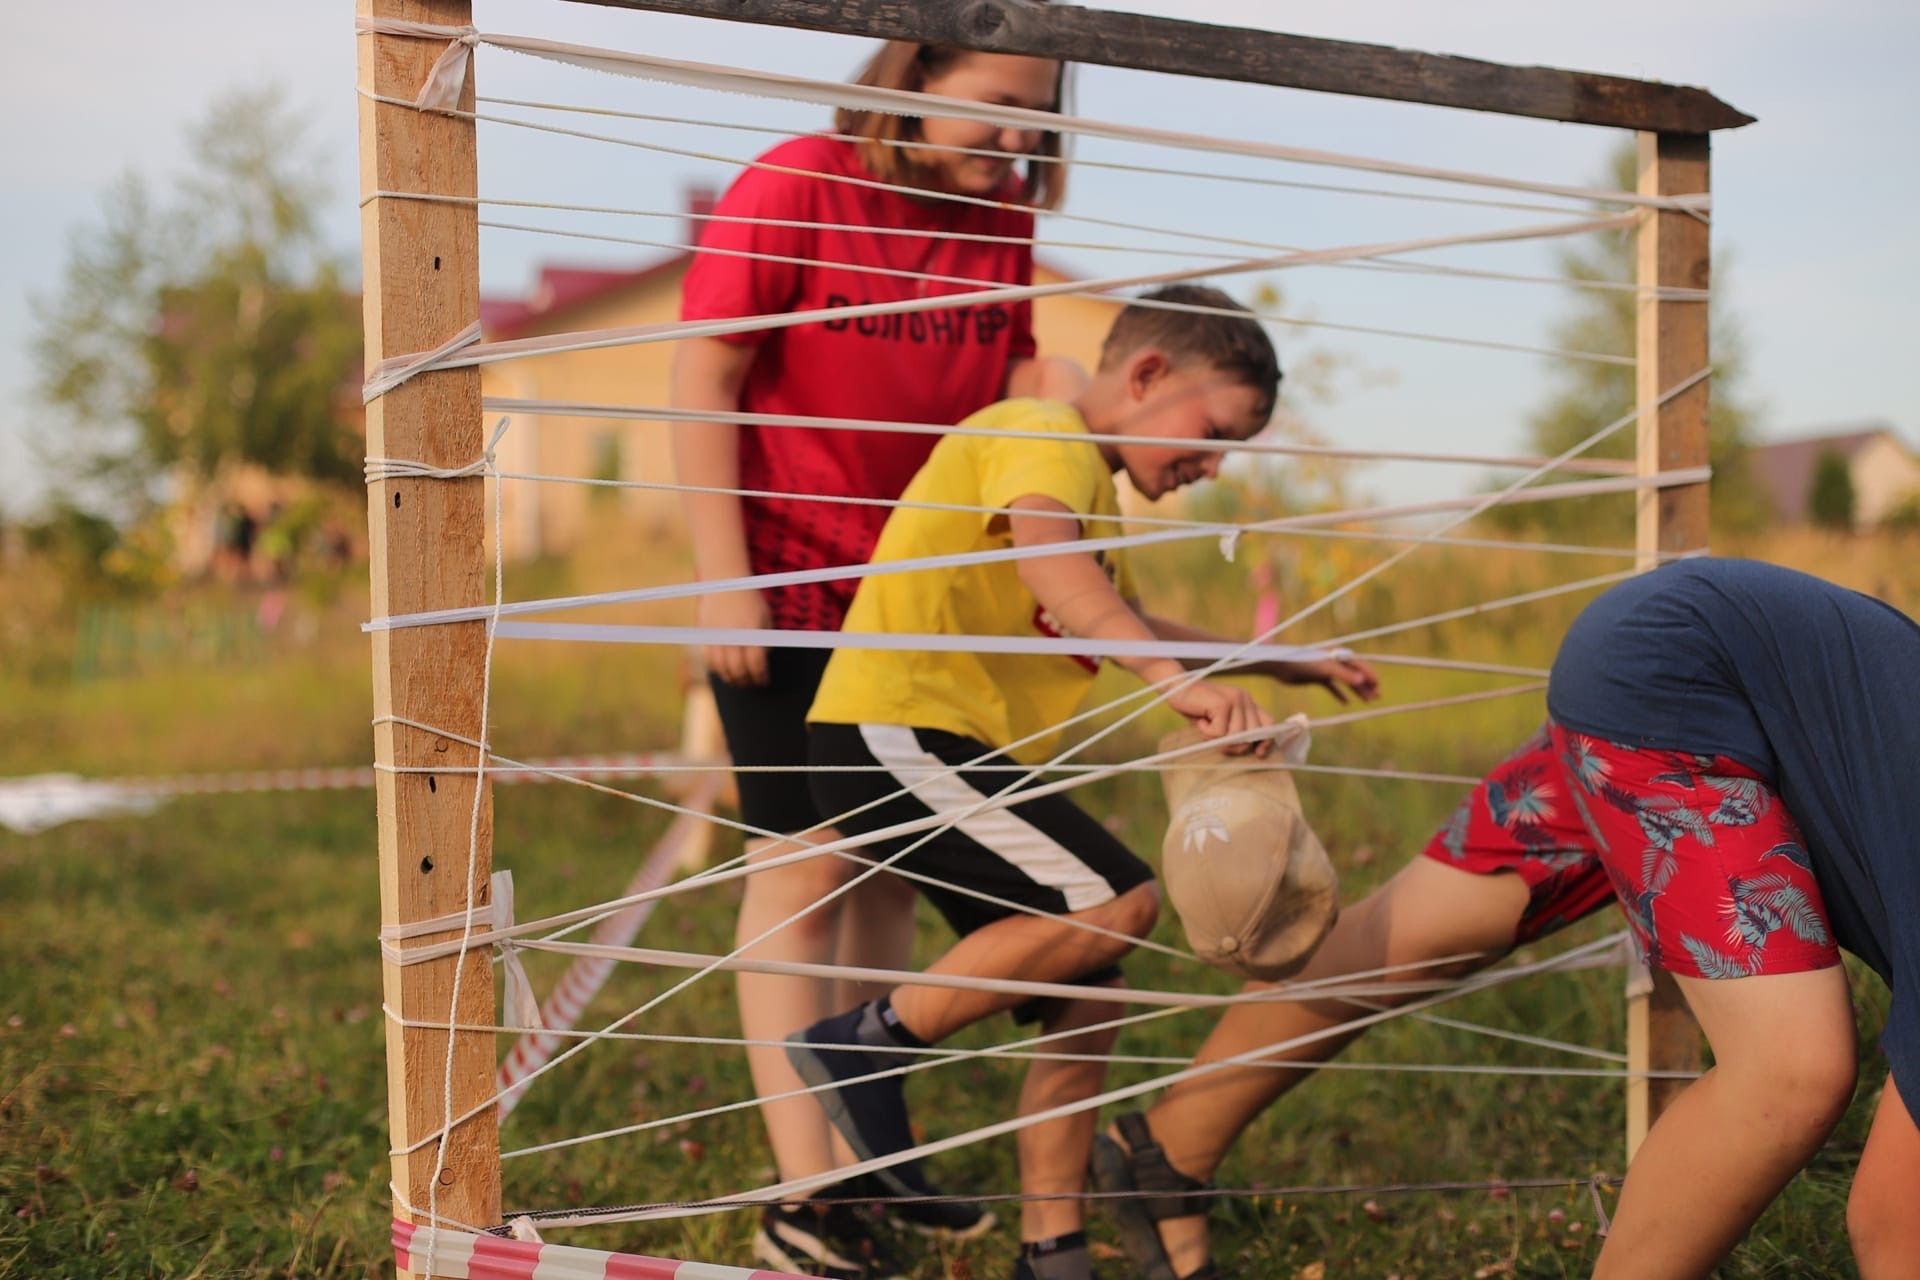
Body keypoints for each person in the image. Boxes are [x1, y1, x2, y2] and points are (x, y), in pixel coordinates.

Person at [1091, 558, 1918, 1280]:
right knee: (1789, 1074)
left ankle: (1162, 1151)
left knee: (1419, 934)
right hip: (1681, 674)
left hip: (1670, 641)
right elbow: (1896, 1233)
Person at [789, 285, 1380, 1280]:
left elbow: (1113, 610)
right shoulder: (1040, 433)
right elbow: (1063, 577)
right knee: (1115, 900)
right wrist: (1175, 685)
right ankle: (867, 1041)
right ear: (1147, 376)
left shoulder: (1085, 490)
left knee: (1089, 984)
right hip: (893, 728)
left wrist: (1280, 660)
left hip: (946, 746)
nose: (1213, 462)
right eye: (1212, 430)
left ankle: (1051, 1249)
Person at [671, 30, 1084, 1279]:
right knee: (797, 866)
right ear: (915, 78)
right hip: (787, 577)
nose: (1018, 140)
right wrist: (724, 578)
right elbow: (701, 375)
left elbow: (1007, 382)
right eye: (999, 105)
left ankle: (873, 1152)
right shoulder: (799, 178)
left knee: (889, 861)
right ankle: (809, 1196)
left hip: (914, 595)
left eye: (1039, 118)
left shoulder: (1001, 222)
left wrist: (1054, 401)